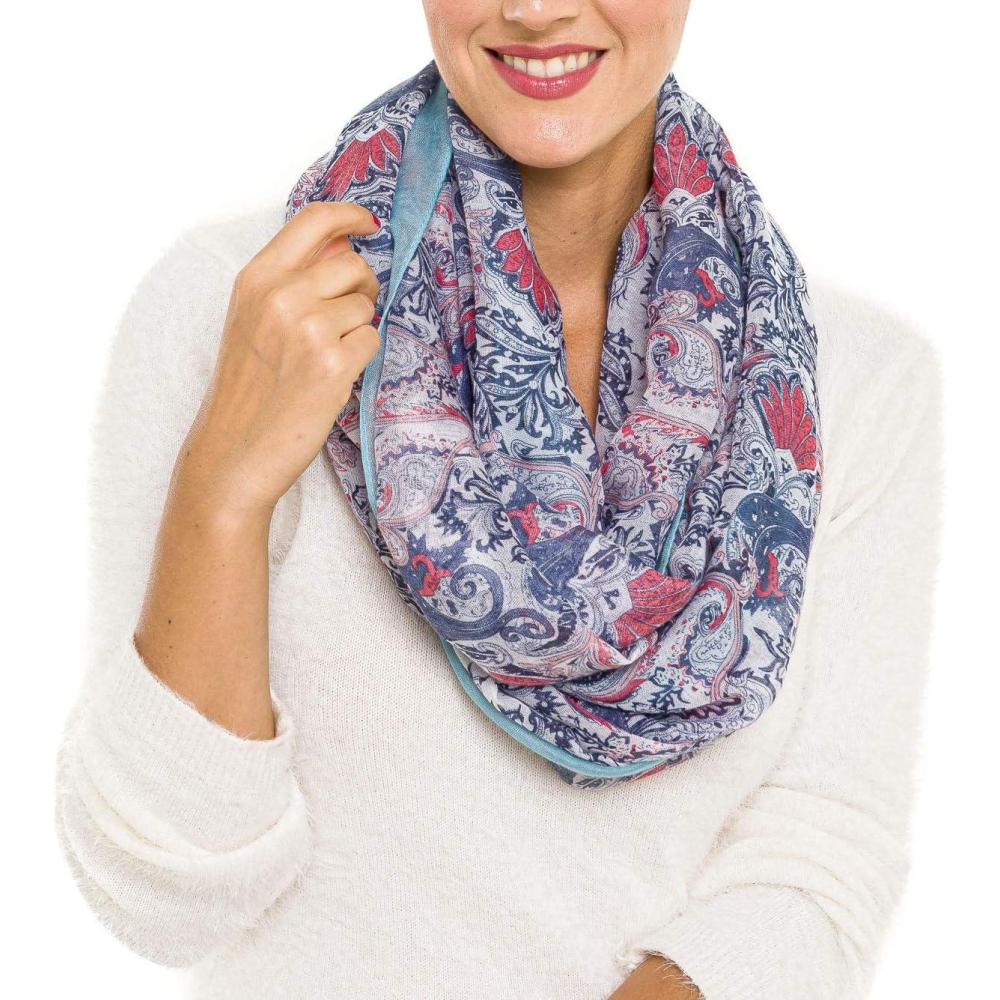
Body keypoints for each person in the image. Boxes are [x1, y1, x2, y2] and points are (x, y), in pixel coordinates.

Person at [54, 1, 944, 998]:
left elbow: (818, 862)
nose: (535, 8)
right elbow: (162, 902)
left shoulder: (852, 384)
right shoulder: (250, 312)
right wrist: (222, 486)